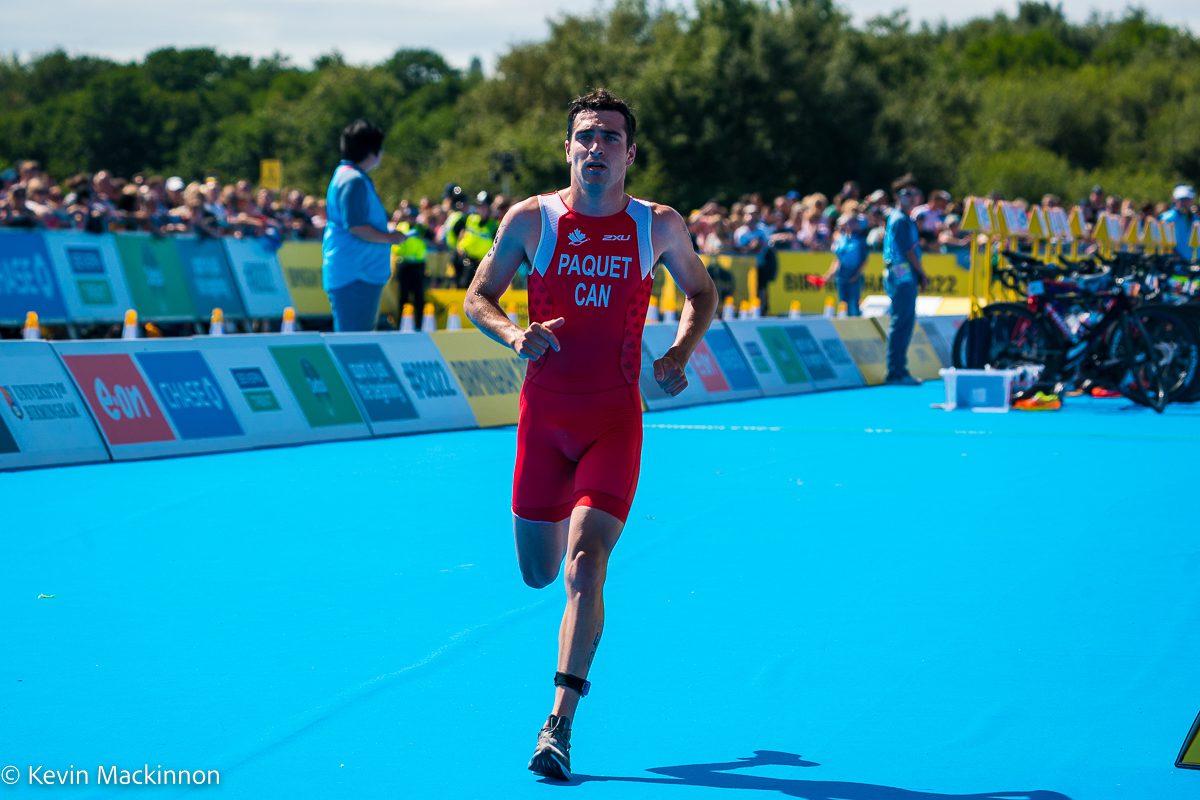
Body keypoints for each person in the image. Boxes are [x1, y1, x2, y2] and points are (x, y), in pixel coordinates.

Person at [464, 88, 717, 781]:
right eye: (585, 136)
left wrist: (677, 353)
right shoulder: (532, 219)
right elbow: (476, 296)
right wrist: (516, 333)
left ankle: (558, 723)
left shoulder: (657, 225)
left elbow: (702, 292)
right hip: (543, 422)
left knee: (584, 563)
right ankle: (561, 690)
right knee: (538, 571)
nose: (596, 147)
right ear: (568, 148)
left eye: (610, 137)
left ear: (630, 153)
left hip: (614, 420)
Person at [321, 119, 408, 332]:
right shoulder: (353, 180)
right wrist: (390, 238)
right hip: (356, 272)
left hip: (357, 270)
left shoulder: (350, 176)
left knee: (355, 337)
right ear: (372, 150)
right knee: (353, 341)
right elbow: (356, 226)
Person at [882, 185, 929, 385]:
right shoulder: (900, 219)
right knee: (902, 320)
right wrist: (922, 273)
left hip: (901, 272)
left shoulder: (902, 218)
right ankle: (896, 371)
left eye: (912, 194)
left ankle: (898, 369)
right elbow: (908, 251)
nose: (909, 198)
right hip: (901, 272)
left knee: (903, 320)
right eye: (905, 195)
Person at [822, 213, 867, 316]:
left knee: (854, 305)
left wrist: (856, 276)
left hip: (854, 275)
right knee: (843, 304)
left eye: (851, 223)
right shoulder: (841, 239)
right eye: (847, 223)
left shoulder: (861, 240)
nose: (849, 225)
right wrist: (831, 273)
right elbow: (838, 259)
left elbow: (864, 261)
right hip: (841, 275)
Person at [1161, 184, 1196, 262]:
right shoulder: (1166, 218)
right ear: (1174, 200)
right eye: (1182, 199)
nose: (1185, 202)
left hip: (1193, 263)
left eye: (1188, 199)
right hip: (1175, 264)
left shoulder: (1195, 218)